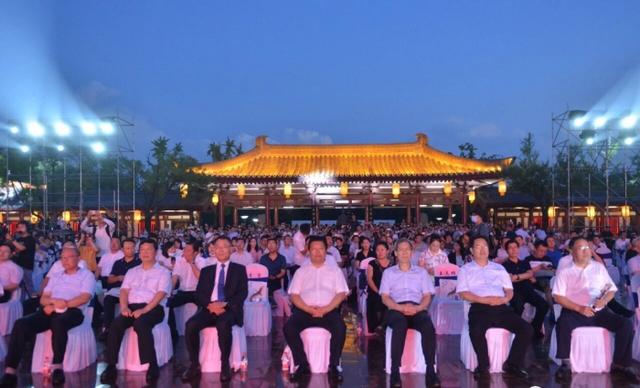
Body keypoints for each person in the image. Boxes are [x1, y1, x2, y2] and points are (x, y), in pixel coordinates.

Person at [0, 246, 95, 387]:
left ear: (77, 258)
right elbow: (43, 299)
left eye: (68, 257)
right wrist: (52, 304)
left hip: (73, 311)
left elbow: (84, 297)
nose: (65, 261)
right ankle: (10, 370)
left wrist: (63, 304)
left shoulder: (87, 275)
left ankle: (57, 367)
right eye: (62, 258)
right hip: (50, 309)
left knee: (59, 322)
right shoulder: (57, 276)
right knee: (21, 324)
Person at [552, 237, 639, 383]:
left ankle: (620, 364)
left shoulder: (598, 268)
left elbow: (611, 289)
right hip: (574, 310)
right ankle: (565, 363)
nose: (586, 251)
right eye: (581, 248)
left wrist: (604, 300)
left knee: (625, 324)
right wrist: (579, 308)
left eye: (588, 248)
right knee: (563, 323)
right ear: (572, 252)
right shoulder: (565, 272)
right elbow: (558, 297)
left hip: (599, 311)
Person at [456, 236, 532, 381]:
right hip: (479, 307)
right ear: (472, 250)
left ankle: (512, 363)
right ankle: (483, 365)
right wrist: (484, 300)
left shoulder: (499, 268)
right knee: (476, 330)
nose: (482, 249)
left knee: (526, 329)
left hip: (501, 306)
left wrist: (504, 299)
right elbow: (463, 293)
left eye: (485, 246)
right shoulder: (465, 270)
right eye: (478, 246)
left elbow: (509, 290)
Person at [100, 239, 172, 385]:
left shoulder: (163, 272)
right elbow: (124, 291)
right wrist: (124, 307)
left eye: (149, 249)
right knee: (116, 324)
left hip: (153, 308)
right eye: (143, 249)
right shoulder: (132, 272)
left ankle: (152, 365)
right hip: (131, 307)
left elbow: (160, 294)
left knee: (141, 324)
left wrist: (144, 310)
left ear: (156, 252)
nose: (145, 252)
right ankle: (111, 365)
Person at [180, 236, 248, 383]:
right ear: (213, 250)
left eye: (225, 246)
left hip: (229, 308)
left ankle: (224, 364)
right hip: (209, 308)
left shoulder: (239, 269)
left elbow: (243, 293)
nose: (221, 249)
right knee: (190, 325)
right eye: (218, 247)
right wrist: (210, 306)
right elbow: (199, 294)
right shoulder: (207, 270)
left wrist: (225, 305)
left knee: (223, 324)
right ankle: (194, 364)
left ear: (231, 249)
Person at [284, 235, 348, 383]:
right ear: (308, 251)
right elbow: (294, 295)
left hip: (328, 310)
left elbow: (341, 294)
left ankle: (334, 366)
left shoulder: (334, 271)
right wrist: (308, 309)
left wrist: (326, 309)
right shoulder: (301, 271)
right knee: (289, 327)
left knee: (340, 328)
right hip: (305, 311)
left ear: (326, 251)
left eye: (321, 249)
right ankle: (302, 365)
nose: (318, 252)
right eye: (314, 249)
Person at [379, 238, 440, 387]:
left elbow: (427, 295)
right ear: (395, 253)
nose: (404, 252)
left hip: (416, 308)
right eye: (401, 250)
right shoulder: (388, 273)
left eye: (407, 249)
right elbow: (385, 298)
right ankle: (395, 371)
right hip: (396, 309)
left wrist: (419, 308)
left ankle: (430, 370)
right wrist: (400, 308)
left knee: (427, 325)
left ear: (412, 253)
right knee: (400, 324)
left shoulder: (421, 272)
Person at [501, 239, 548, 339]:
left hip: (528, 290)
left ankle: (535, 329)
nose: (514, 250)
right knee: (518, 308)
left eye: (515, 247)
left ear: (519, 249)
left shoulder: (524, 262)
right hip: (515, 291)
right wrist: (525, 275)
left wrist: (517, 277)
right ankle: (518, 332)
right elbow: (510, 279)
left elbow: (530, 274)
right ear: (507, 251)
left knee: (544, 305)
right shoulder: (504, 266)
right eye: (510, 248)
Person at [99, 238, 140, 341]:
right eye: (127, 248)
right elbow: (109, 279)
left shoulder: (139, 262)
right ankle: (107, 328)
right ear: (123, 249)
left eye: (132, 248)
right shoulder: (118, 263)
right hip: (118, 289)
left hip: (133, 290)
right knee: (108, 299)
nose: (130, 250)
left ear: (135, 249)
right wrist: (118, 278)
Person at [168, 240, 204, 345]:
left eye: (188, 250)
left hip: (197, 291)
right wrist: (169, 291)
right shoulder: (179, 260)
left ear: (196, 252)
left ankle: (195, 330)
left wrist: (192, 263)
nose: (185, 252)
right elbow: (175, 277)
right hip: (183, 292)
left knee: (203, 306)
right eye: (184, 249)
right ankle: (173, 333)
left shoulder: (201, 261)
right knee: (168, 304)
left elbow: (201, 278)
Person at [366, 241, 392, 334]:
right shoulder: (372, 263)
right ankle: (378, 327)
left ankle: (384, 326)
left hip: (391, 291)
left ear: (387, 251)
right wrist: (378, 291)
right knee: (377, 301)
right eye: (377, 250)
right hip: (376, 291)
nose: (380, 252)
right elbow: (369, 279)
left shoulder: (393, 262)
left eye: (382, 250)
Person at [6, 221, 36, 296]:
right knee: (20, 287)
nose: (20, 228)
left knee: (29, 286)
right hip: (18, 265)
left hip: (26, 266)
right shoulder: (19, 239)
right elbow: (16, 251)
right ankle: (22, 305)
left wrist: (12, 240)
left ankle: (35, 303)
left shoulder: (30, 239)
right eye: (18, 227)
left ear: (27, 228)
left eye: (22, 227)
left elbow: (22, 248)